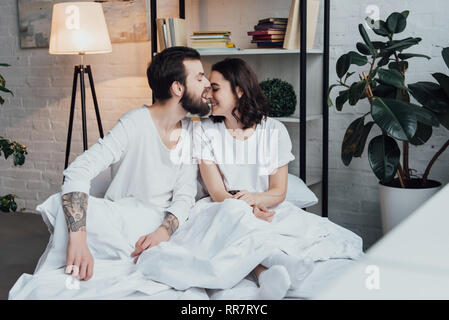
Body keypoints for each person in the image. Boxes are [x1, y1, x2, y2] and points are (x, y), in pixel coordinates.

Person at [135, 58, 363, 300]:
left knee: (317, 235)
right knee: (236, 218)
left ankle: (269, 272)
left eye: (215, 87)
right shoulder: (203, 130)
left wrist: (255, 199)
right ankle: (276, 265)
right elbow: (217, 193)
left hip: (264, 205)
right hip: (222, 208)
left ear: (239, 90)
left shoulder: (273, 130)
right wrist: (248, 208)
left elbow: (279, 191)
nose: (208, 94)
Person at [9, 46, 212, 299]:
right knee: (67, 210)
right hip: (119, 219)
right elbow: (78, 172)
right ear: (177, 88)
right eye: (200, 77)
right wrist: (78, 238)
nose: (207, 83)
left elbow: (184, 196)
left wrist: (163, 231)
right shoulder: (135, 123)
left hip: (155, 227)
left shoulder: (191, 133)